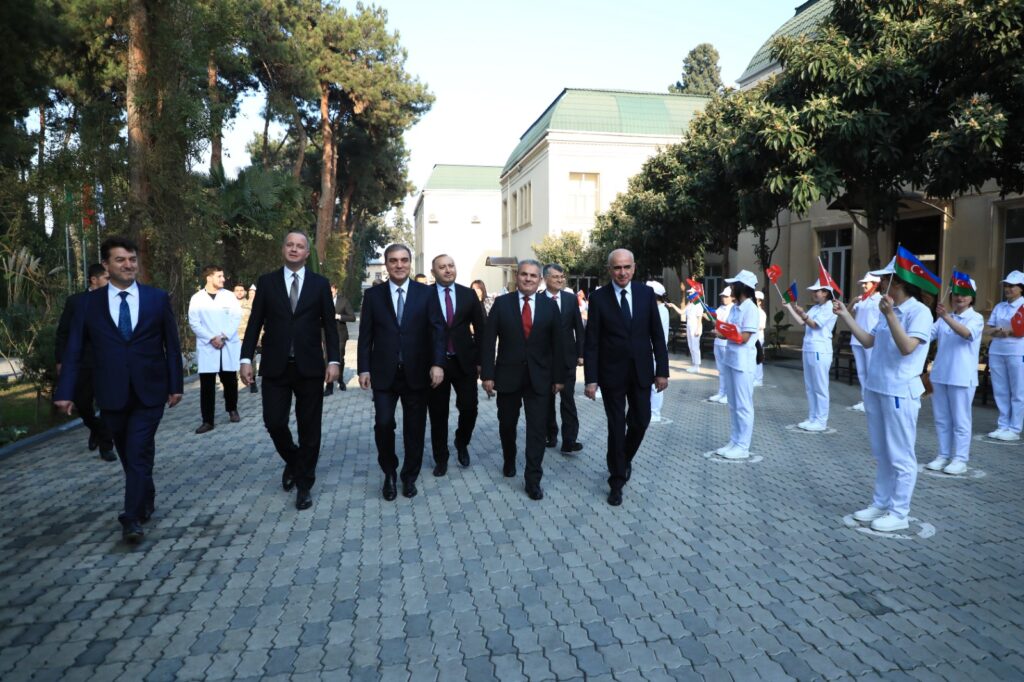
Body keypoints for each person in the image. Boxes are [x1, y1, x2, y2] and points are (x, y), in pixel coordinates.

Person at [54, 236, 184, 544]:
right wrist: (65, 390)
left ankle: (130, 517)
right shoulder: (87, 304)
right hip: (111, 392)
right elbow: (73, 350)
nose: (128, 265)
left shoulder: (156, 298)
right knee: (129, 455)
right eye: (120, 260)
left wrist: (176, 384)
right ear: (106, 266)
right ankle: (145, 496)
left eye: (132, 259)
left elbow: (173, 347)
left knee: (137, 451)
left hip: (150, 391)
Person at [240, 231, 340, 511]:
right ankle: (296, 462)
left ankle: (304, 485)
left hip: (310, 367)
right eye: (290, 245)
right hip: (275, 366)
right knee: (274, 422)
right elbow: (254, 324)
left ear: (308, 253)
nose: (294, 249)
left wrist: (334, 361)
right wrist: (245, 358)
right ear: (283, 249)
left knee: (310, 429)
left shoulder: (319, 284)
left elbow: (330, 327)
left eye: (300, 246)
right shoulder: (267, 283)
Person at [833, 257, 932, 532]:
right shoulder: (887, 309)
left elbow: (907, 348)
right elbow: (868, 341)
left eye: (885, 280)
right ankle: (880, 502)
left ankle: (899, 512)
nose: (880, 284)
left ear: (897, 282)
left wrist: (890, 315)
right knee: (882, 452)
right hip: (876, 388)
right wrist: (845, 315)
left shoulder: (919, 312)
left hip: (900, 390)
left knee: (901, 454)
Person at [358, 244, 446, 501]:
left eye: (404, 260)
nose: (399, 265)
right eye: (393, 260)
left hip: (417, 373)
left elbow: (437, 330)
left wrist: (438, 364)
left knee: (415, 428)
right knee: (383, 424)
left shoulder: (426, 294)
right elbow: (365, 336)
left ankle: (409, 476)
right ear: (386, 264)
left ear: (410, 263)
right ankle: (389, 472)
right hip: (384, 374)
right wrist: (363, 367)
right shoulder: (374, 297)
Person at [584, 249, 669, 506]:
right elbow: (592, 342)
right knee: (615, 426)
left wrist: (662, 370)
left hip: (642, 372)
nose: (622, 272)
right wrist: (591, 378)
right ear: (610, 269)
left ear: (634, 268)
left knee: (641, 421)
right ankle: (617, 480)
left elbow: (657, 334)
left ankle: (623, 458)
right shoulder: (598, 298)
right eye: (617, 268)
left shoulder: (645, 294)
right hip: (612, 375)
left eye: (626, 267)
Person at [481, 259, 564, 500]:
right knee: (507, 424)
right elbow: (488, 341)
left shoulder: (550, 307)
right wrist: (487, 374)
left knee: (537, 430)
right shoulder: (502, 304)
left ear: (541, 279)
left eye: (533, 275)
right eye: (524, 275)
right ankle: (509, 458)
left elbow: (559, 345)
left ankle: (533, 479)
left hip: (540, 379)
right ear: (517, 277)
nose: (528, 279)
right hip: (507, 377)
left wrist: (559, 378)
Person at [426, 254, 484, 475]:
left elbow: (481, 330)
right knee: (438, 414)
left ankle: (462, 442)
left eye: (451, 265)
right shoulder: (425, 295)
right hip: (436, 365)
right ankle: (441, 458)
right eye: (442, 267)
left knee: (469, 408)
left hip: (464, 363)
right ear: (434, 272)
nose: (448, 270)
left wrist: (481, 361)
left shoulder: (468, 295)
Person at [55, 263, 116, 462]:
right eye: (106, 279)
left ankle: (107, 447)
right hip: (82, 363)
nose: (110, 283)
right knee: (82, 404)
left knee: (108, 404)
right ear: (94, 279)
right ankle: (97, 429)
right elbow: (63, 333)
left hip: (106, 363)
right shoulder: (76, 302)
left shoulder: (115, 301)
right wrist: (60, 360)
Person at [926, 277, 983, 475]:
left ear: (971, 298)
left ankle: (960, 459)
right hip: (940, 375)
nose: (959, 298)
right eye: (956, 294)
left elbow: (967, 334)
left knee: (960, 420)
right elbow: (926, 335)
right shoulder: (943, 318)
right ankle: (943, 455)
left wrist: (945, 318)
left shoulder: (975, 318)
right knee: (942, 419)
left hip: (961, 377)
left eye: (964, 295)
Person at [188, 266, 242, 434]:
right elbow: (194, 323)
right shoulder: (197, 298)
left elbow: (235, 317)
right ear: (209, 278)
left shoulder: (229, 296)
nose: (223, 279)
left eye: (223, 275)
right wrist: (212, 338)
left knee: (230, 381)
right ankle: (208, 420)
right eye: (219, 276)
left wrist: (223, 336)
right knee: (207, 386)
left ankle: (232, 409)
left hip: (226, 343)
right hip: (208, 346)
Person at [714, 271, 761, 459]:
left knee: (743, 405)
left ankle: (743, 445)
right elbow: (730, 329)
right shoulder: (735, 307)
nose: (731, 288)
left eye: (734, 285)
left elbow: (744, 337)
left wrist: (722, 334)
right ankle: (734, 440)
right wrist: (721, 330)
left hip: (743, 362)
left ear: (743, 287)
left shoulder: (751, 309)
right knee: (733, 404)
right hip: (731, 359)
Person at [784, 279, 837, 432]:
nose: (813, 294)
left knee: (820, 386)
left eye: (816, 291)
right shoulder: (815, 308)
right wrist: (790, 308)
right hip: (809, 348)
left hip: (820, 350)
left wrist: (803, 314)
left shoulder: (829, 308)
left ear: (825, 293)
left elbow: (814, 324)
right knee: (810, 386)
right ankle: (813, 417)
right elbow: (803, 322)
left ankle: (821, 421)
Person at [542, 263, 585, 452]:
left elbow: (579, 328)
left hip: (567, 358)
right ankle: (550, 435)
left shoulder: (569, 299)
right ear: (545, 278)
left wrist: (581, 353)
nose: (560, 280)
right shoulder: (538, 299)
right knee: (547, 401)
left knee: (568, 400)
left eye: (562, 276)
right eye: (555, 277)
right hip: (544, 359)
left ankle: (569, 440)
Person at [984, 271, 1024, 441]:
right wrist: (997, 331)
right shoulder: (1000, 306)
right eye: (1006, 286)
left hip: (1017, 351)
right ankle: (1003, 425)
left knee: (1017, 391)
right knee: (1000, 390)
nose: (1007, 289)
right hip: (997, 351)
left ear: (1021, 288)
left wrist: (1012, 332)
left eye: (1011, 286)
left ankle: (1015, 428)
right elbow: (988, 328)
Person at [850, 273, 882, 411]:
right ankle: (865, 399)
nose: (863, 285)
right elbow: (847, 311)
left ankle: (874, 401)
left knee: (871, 370)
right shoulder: (861, 300)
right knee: (861, 372)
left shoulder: (881, 300)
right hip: (856, 339)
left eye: (866, 283)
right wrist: (853, 301)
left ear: (875, 284)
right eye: (863, 283)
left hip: (871, 340)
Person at [325, 283, 355, 395]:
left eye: (331, 292)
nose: (329, 294)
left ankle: (341, 380)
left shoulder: (343, 301)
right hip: (325, 333)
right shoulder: (322, 299)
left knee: (339, 358)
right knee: (327, 359)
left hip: (340, 334)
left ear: (336, 290)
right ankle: (329, 385)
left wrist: (339, 316)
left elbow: (352, 317)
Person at [647, 281, 671, 423]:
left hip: (656, 352)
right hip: (650, 351)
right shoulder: (656, 309)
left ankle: (655, 413)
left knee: (656, 384)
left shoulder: (661, 310)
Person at [708, 288, 734, 403]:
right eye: (723, 296)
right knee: (721, 370)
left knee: (728, 370)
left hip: (726, 343)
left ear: (732, 297)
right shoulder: (719, 308)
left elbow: (730, 327)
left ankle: (729, 394)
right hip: (718, 342)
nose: (724, 298)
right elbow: (716, 322)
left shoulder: (734, 309)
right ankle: (722, 392)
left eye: (726, 296)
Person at [234, 283, 259, 393]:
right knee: (234, 361)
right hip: (234, 338)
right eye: (237, 290)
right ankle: (232, 386)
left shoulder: (250, 304)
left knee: (251, 359)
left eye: (241, 290)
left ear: (245, 292)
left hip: (248, 337)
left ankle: (253, 382)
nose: (239, 292)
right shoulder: (230, 305)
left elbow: (257, 321)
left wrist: (259, 336)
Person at [682, 285, 704, 374]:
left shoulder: (698, 304)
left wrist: (698, 329)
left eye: (691, 292)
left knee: (695, 347)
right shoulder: (690, 304)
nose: (689, 294)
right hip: (689, 327)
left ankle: (697, 366)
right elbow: (681, 312)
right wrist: (672, 305)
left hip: (695, 327)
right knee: (691, 346)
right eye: (689, 292)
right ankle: (694, 364)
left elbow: (699, 319)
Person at [754, 291, 768, 387]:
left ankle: (759, 379)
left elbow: (762, 326)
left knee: (758, 358)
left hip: (758, 337)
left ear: (759, 302)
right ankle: (754, 378)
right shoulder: (752, 311)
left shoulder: (761, 313)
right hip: (752, 337)